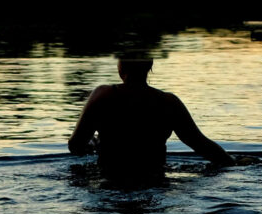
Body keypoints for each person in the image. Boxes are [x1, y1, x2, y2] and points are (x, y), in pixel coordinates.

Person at [68, 55, 229, 177]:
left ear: (121, 65)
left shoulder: (103, 95)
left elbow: (75, 145)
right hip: (154, 183)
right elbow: (203, 146)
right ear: (150, 65)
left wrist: (95, 145)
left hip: (111, 181)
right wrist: (234, 162)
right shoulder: (169, 103)